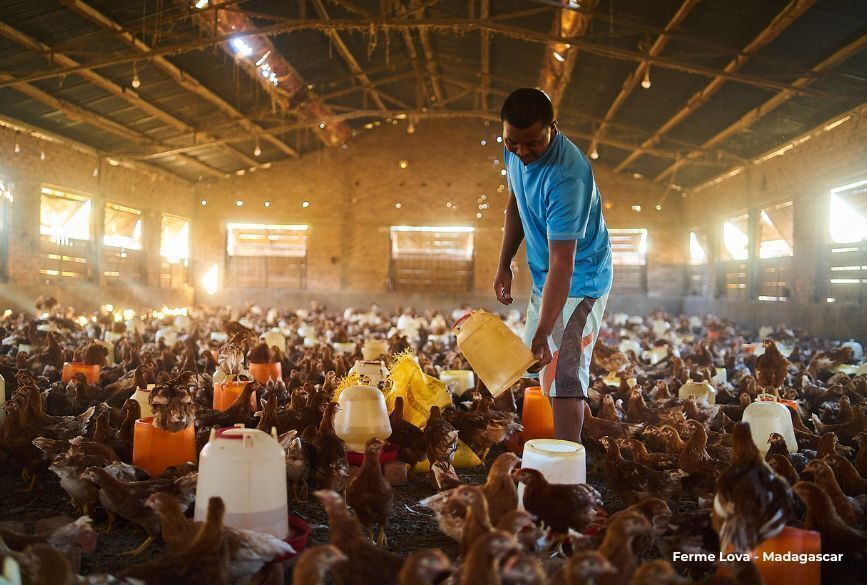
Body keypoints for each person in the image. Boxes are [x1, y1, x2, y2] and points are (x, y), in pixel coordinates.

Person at [494, 88, 612, 443]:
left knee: (563, 373)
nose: (522, 152)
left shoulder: (567, 177)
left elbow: (564, 262)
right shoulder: (514, 149)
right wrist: (505, 265)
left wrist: (544, 331)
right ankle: (561, 442)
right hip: (549, 274)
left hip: (580, 277)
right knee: (546, 369)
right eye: (513, 142)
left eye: (533, 143)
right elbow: (515, 201)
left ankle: (569, 467)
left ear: (553, 128)